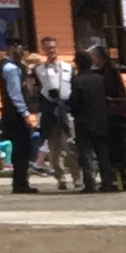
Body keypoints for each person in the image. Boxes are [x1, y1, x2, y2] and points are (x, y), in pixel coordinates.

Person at [68, 38, 126, 195]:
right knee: (102, 152)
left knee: (85, 153)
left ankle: (89, 183)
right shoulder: (99, 79)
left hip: (83, 120)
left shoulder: (77, 81)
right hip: (100, 120)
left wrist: (74, 112)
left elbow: (75, 102)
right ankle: (107, 182)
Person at [0, 45, 41, 193]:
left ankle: (20, 182)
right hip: (15, 114)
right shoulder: (11, 68)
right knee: (22, 148)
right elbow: (15, 93)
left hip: (11, 113)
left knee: (20, 148)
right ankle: (20, 183)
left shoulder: (7, 65)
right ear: (11, 49)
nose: (22, 53)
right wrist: (25, 113)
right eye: (19, 49)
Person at [35, 34, 75, 186]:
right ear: (43, 50)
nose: (51, 51)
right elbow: (36, 90)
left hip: (66, 108)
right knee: (54, 147)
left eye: (52, 47)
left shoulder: (68, 67)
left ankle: (77, 176)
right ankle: (61, 178)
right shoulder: (39, 70)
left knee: (70, 145)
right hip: (50, 110)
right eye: (47, 48)